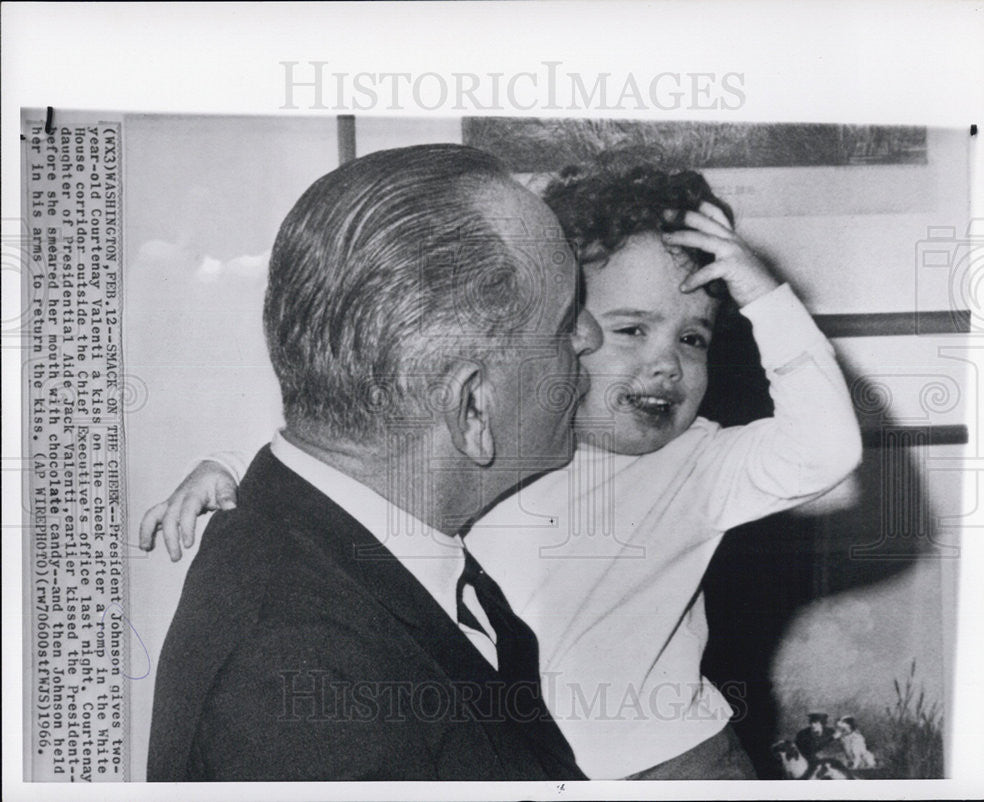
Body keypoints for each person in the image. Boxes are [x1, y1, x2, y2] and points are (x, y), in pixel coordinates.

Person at [144, 154, 862, 779]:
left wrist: (765, 299)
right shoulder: (510, 448)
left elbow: (827, 449)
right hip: (526, 748)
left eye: (695, 337)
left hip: (676, 761)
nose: (666, 362)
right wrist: (228, 464)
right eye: (629, 329)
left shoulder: (700, 462)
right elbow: (361, 423)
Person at [144, 144, 602, 781]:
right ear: (473, 410)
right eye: (562, 323)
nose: (591, 338)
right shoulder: (300, 692)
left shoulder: (356, 549)